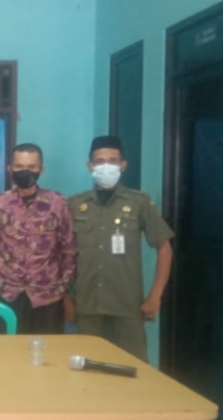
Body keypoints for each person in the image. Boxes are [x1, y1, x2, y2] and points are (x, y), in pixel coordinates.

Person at [67, 135, 174, 361]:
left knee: (133, 368)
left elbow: (164, 248)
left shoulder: (139, 202)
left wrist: (155, 296)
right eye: (99, 161)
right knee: (89, 369)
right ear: (89, 166)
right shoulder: (75, 204)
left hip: (127, 306)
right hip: (87, 306)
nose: (106, 166)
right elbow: (62, 255)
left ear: (123, 165)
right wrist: (67, 298)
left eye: (113, 161)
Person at [0, 143, 75, 334]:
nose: (25, 171)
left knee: (48, 349)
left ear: (41, 170)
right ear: (10, 169)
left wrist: (64, 287)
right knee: (9, 350)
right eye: (19, 166)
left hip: (48, 295)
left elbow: (69, 248)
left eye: (31, 167)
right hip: (8, 293)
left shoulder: (57, 202)